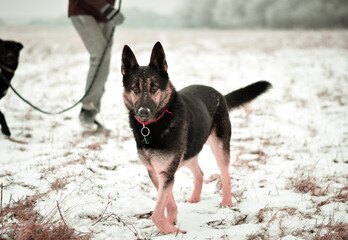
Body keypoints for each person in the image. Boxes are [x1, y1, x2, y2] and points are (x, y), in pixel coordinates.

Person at [68, 0, 124, 125]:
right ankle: (87, 109)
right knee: (99, 56)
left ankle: (92, 112)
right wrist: (107, 9)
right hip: (84, 10)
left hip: (105, 14)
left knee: (105, 59)